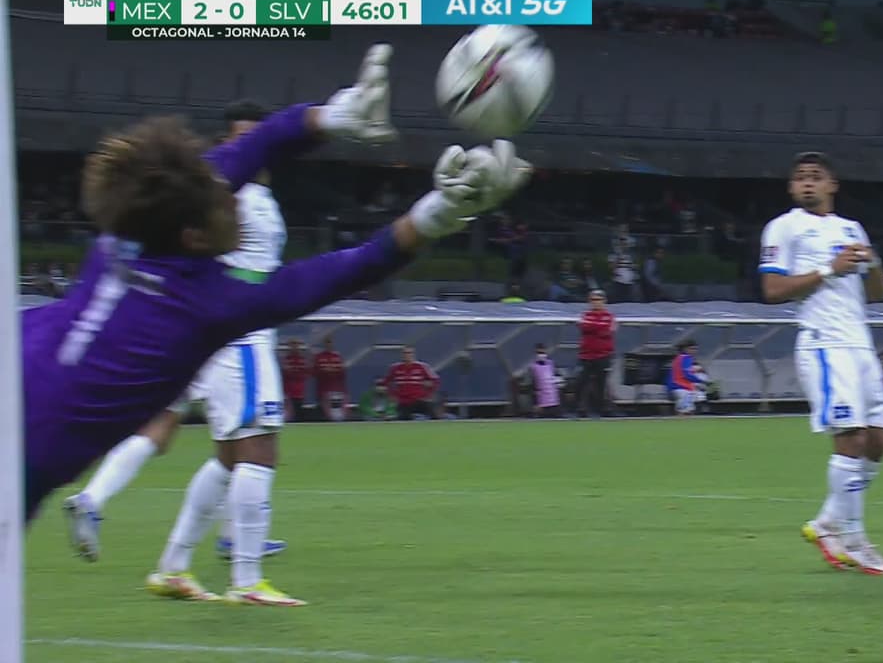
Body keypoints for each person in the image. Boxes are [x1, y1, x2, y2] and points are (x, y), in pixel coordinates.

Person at [24, 44, 532, 606]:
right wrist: (443, 211)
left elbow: (257, 144)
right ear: (193, 239)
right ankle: (238, 576)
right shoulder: (205, 306)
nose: (237, 205)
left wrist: (338, 113)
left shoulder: (128, 232)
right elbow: (345, 270)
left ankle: (181, 560)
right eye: (227, 208)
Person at [62, 100, 290, 564]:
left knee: (164, 429)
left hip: (198, 331)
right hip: (231, 332)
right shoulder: (235, 199)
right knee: (251, 444)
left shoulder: (231, 197)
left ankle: (95, 499)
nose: (252, 146)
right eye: (241, 137)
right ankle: (238, 557)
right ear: (228, 142)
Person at [758, 151, 883, 575]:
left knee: (878, 441)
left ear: (832, 185)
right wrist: (829, 269)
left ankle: (827, 523)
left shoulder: (851, 229)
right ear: (790, 188)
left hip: (860, 344)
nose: (807, 184)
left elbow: (876, 292)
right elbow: (773, 288)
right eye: (800, 177)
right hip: (824, 344)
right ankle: (854, 539)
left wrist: (872, 263)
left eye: (816, 177)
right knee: (850, 438)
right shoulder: (784, 227)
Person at [576, 289, 615, 418]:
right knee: (582, 382)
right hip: (586, 355)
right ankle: (582, 409)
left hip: (603, 355)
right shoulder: (585, 315)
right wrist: (598, 326)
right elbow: (583, 326)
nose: (595, 302)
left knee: (601, 383)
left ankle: (604, 409)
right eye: (592, 300)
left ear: (604, 301)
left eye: (598, 300)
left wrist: (593, 326)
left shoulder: (609, 316)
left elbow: (607, 330)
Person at [385, 346, 443, 420]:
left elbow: (435, 380)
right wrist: (392, 395)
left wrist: (429, 394)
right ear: (402, 355)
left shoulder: (422, 366)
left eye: (409, 353)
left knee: (433, 413)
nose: (407, 355)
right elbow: (387, 381)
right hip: (403, 401)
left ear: (413, 354)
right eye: (405, 353)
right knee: (402, 418)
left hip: (419, 400)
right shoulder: (395, 368)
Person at [667, 340, 709, 416]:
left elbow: (680, 372)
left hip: (677, 388)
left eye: (696, 349)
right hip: (682, 388)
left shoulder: (678, 358)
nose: (695, 351)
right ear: (685, 349)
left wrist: (695, 370)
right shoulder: (687, 358)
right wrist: (702, 381)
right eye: (692, 349)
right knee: (685, 413)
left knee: (687, 411)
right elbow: (687, 374)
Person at [314, 336, 348, 422]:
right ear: (324, 344)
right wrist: (328, 371)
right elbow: (315, 372)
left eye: (330, 342)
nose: (328, 344)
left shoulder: (337, 357)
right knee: (325, 415)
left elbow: (342, 373)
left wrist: (330, 370)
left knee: (337, 415)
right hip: (323, 390)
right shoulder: (319, 357)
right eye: (327, 342)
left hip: (336, 390)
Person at [529, 343, 562, 417]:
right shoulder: (533, 367)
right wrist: (535, 404)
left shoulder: (552, 364)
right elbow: (533, 387)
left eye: (542, 353)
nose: (541, 355)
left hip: (555, 403)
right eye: (539, 353)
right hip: (542, 405)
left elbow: (559, 382)